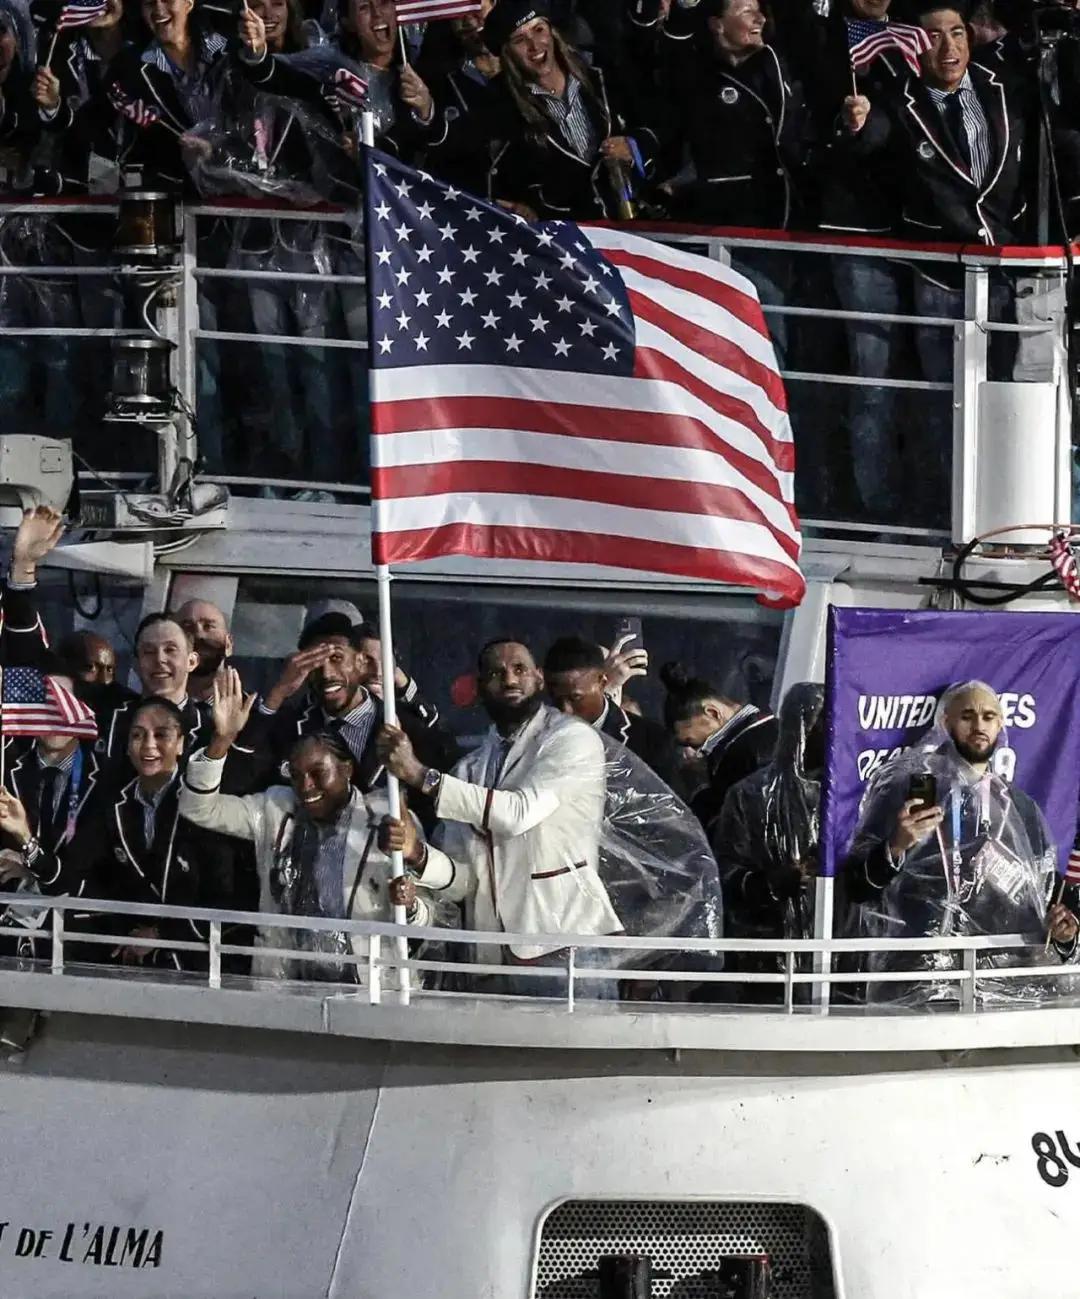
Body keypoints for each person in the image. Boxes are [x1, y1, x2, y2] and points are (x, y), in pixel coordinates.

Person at [376, 638, 622, 997]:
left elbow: (518, 813)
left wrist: (420, 775)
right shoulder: (469, 769)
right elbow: (464, 882)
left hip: (566, 948)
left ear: (539, 678)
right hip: (491, 960)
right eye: (496, 673)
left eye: (519, 669)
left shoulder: (573, 739)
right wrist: (417, 854)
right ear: (479, 688)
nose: (509, 679)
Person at [178, 668, 430, 981]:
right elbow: (198, 809)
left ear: (347, 769)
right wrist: (222, 740)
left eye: (317, 773)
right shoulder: (275, 808)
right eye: (296, 776)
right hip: (285, 986)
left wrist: (410, 905)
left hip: (371, 988)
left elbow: (433, 913)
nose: (306, 786)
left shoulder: (387, 817)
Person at [843, 680, 1078, 1004]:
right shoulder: (906, 791)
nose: (979, 725)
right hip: (916, 988)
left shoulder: (1020, 808)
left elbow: (1045, 902)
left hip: (1002, 991)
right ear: (946, 722)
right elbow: (856, 889)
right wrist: (896, 846)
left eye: (988, 716)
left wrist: (1064, 934)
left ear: (1000, 725)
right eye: (967, 716)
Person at [409, 0, 663, 221]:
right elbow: (459, 142)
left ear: (552, 32)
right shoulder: (502, 107)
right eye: (520, 40)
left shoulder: (605, 78)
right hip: (570, 241)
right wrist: (426, 109)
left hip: (636, 231)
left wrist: (634, 146)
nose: (535, 45)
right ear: (507, 54)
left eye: (539, 30)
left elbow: (662, 124)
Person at [92, 697, 253, 971]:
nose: (149, 745)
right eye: (137, 735)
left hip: (203, 964)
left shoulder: (202, 802)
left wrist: (162, 935)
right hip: (135, 963)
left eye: (161, 735)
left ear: (180, 744)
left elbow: (229, 895)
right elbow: (101, 878)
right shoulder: (114, 804)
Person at [250, 613, 457, 802]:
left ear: (360, 662)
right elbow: (244, 780)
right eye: (314, 663)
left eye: (337, 658)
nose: (327, 674)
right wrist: (278, 693)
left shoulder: (406, 728)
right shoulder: (288, 728)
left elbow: (442, 797)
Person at [711, 682, 823, 1002]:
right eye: (820, 723)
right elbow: (726, 875)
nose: (830, 733)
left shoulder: (853, 793)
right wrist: (771, 884)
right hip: (766, 963)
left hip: (840, 960)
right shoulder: (750, 795)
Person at [543, 635, 683, 794]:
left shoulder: (653, 741)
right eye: (555, 698)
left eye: (575, 698)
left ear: (603, 683)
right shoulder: (539, 739)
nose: (565, 709)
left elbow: (672, 806)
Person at [660, 662, 778, 832]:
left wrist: (699, 787)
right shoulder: (776, 730)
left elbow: (729, 831)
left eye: (693, 743)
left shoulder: (739, 757)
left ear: (713, 713)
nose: (691, 753)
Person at [174, 597, 233, 703]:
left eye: (208, 626)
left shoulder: (250, 709)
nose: (198, 634)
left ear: (229, 644)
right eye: (187, 626)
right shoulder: (152, 706)